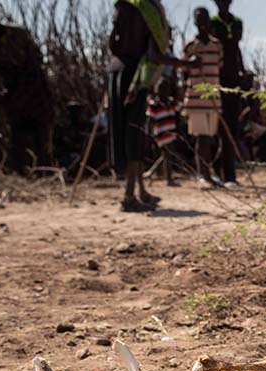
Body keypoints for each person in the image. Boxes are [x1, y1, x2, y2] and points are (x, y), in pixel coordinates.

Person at [108, 0, 190, 212]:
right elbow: (154, 55)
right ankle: (128, 196)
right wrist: (184, 65)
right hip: (137, 75)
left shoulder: (123, 4)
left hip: (116, 70)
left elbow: (113, 44)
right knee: (134, 134)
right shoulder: (151, 11)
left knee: (124, 131)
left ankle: (141, 192)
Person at [0, 8, 54, 173]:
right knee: (17, 133)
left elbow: (35, 60)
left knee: (41, 131)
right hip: (13, 91)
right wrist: (7, 90)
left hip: (34, 88)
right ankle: (21, 171)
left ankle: (46, 170)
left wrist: (29, 86)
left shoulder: (18, 33)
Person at [183, 6, 223, 188]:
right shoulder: (191, 46)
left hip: (213, 97)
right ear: (195, 22)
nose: (202, 23)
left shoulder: (217, 46)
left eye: (204, 19)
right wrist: (191, 64)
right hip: (196, 98)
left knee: (210, 136)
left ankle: (208, 173)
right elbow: (182, 68)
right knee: (201, 138)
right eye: (198, 19)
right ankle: (202, 174)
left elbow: (219, 66)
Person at [210, 0, 243, 187]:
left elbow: (236, 49)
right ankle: (217, 170)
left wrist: (242, 70)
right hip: (216, 79)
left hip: (233, 79)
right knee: (218, 128)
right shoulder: (212, 23)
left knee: (232, 126)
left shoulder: (237, 22)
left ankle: (229, 173)